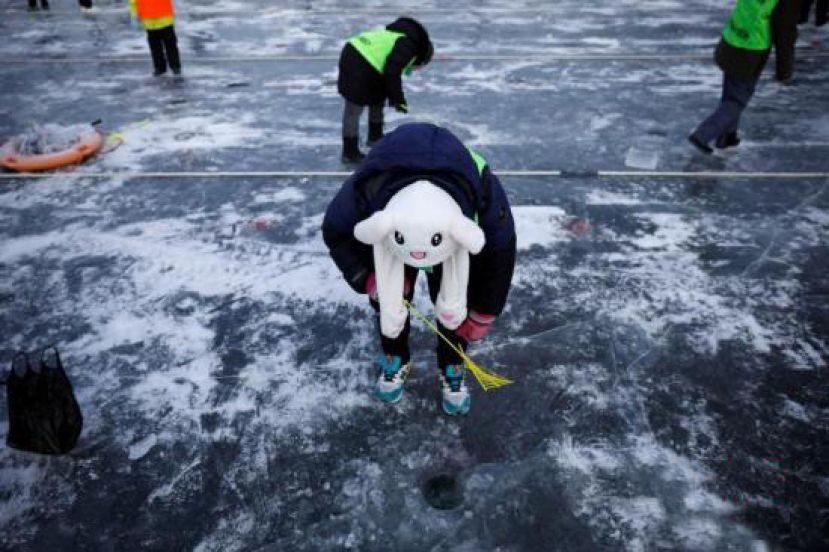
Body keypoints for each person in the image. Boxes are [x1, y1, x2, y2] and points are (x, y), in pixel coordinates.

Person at [322, 123, 516, 416]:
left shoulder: (479, 181)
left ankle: (452, 362)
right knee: (390, 297)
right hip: (392, 244)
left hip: (449, 247)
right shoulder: (368, 184)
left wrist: (485, 309)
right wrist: (368, 278)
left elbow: (500, 248)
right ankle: (395, 357)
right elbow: (335, 230)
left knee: (452, 303)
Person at [689, 0, 799, 153]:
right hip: (751, 50)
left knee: (730, 92)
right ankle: (703, 135)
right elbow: (785, 33)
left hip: (732, 36)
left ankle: (726, 137)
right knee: (737, 100)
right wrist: (784, 73)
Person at [336, 17, 433, 163]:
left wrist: (394, 97)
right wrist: (398, 100)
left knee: (378, 94)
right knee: (354, 107)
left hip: (355, 52)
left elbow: (389, 75)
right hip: (359, 60)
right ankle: (350, 152)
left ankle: (375, 138)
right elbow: (392, 73)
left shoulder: (399, 37)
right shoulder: (408, 45)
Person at [129, 0, 181, 76]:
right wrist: (134, 15)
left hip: (163, 17)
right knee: (158, 46)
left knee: (167, 44)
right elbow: (133, 2)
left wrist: (134, 15)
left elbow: (133, 2)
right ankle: (163, 67)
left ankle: (171, 66)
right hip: (152, 18)